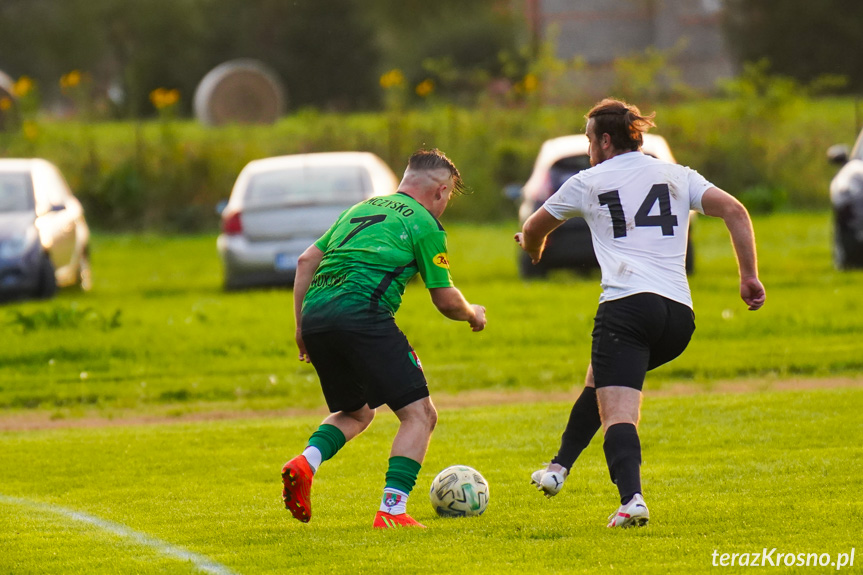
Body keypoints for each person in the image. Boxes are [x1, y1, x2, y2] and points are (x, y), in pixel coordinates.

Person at [515, 98, 765, 528]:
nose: (589, 147)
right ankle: (558, 468)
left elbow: (536, 226)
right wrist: (749, 277)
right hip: (678, 316)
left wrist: (533, 249)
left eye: (590, 138)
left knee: (618, 411)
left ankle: (632, 500)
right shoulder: (677, 174)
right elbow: (736, 211)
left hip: (627, 307)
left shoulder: (588, 180)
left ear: (605, 140)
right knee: (602, 380)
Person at [282, 148, 487, 529]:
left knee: (358, 411)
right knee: (420, 415)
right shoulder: (424, 224)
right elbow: (444, 299)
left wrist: (300, 328)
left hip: (316, 315)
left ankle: (305, 462)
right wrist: (473, 313)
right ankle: (392, 511)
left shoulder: (360, 209)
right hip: (361, 312)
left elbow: (306, 261)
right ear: (440, 192)